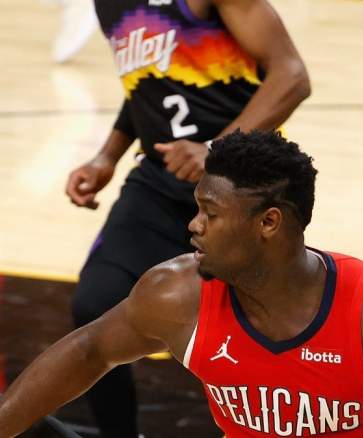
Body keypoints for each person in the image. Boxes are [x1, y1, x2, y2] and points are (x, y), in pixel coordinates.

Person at [0, 130, 363, 438]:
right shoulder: (178, 295)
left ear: (268, 223)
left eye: (210, 213)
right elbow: (89, 349)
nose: (192, 225)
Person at [63, 0, 310, 436]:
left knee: (263, 336)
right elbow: (147, 83)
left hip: (243, 183)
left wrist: (217, 147)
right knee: (94, 305)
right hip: (159, 181)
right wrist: (107, 156)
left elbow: (292, 76)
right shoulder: (109, 6)